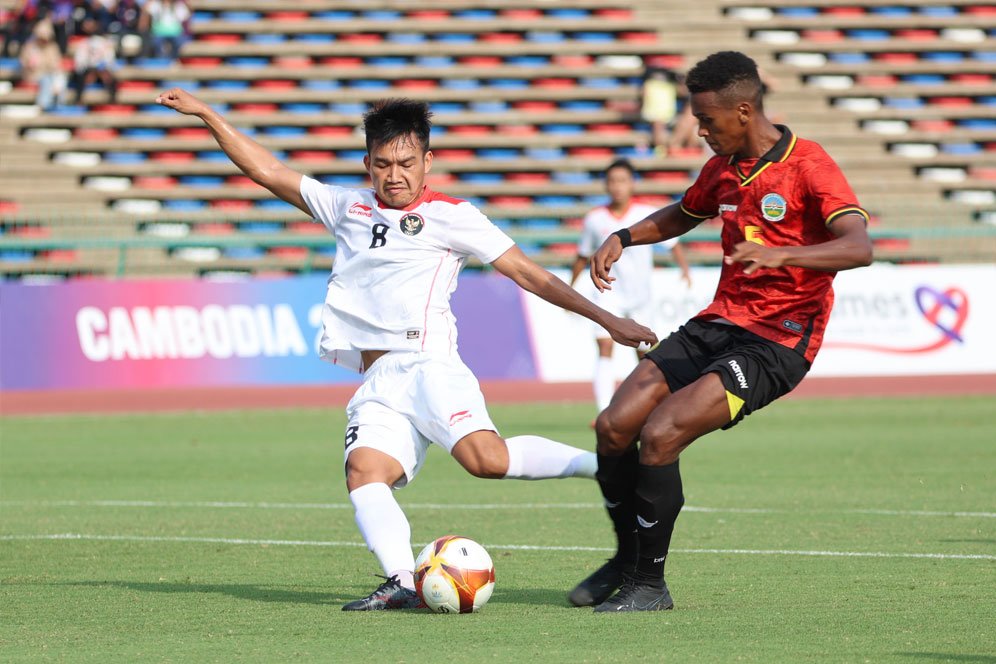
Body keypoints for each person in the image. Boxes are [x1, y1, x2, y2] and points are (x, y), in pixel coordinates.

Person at [154, 89, 658, 611]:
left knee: (487, 460)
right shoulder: (346, 205)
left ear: (427, 162)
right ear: (367, 163)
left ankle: (601, 463)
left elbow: (528, 273)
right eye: (383, 164)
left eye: (406, 163)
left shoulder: (454, 216)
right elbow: (269, 172)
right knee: (364, 473)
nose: (395, 175)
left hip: (429, 364)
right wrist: (211, 114)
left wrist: (607, 319)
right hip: (378, 378)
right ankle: (400, 580)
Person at [569, 51, 872, 612]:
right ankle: (626, 558)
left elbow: (859, 246)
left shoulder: (810, 166)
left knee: (661, 434)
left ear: (743, 110)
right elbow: (686, 212)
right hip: (719, 321)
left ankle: (649, 585)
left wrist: (783, 256)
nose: (700, 130)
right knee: (615, 425)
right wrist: (625, 236)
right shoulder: (723, 166)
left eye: (707, 121)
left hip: (776, 343)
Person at [570, 158, 691, 414]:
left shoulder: (643, 215)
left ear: (631, 183)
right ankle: (603, 410)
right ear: (606, 185)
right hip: (607, 292)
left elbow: (673, 243)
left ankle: (643, 408)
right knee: (604, 347)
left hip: (640, 296)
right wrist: (571, 284)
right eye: (612, 181)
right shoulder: (595, 218)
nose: (617, 186)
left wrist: (684, 270)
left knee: (644, 352)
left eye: (622, 181)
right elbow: (583, 255)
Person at [18, 19, 66, 110]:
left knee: (60, 79)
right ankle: (43, 105)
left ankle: (59, 105)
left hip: (50, 73)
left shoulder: (53, 47)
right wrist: (29, 65)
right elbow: (23, 61)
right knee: (46, 80)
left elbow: (56, 64)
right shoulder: (30, 46)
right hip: (33, 74)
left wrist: (53, 69)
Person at [71, 18, 117, 104]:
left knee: (110, 78)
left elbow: (109, 60)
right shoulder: (84, 43)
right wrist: (89, 69)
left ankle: (113, 99)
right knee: (80, 77)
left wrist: (101, 68)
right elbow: (80, 61)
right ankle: (78, 98)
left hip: (102, 69)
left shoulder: (105, 43)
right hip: (88, 68)